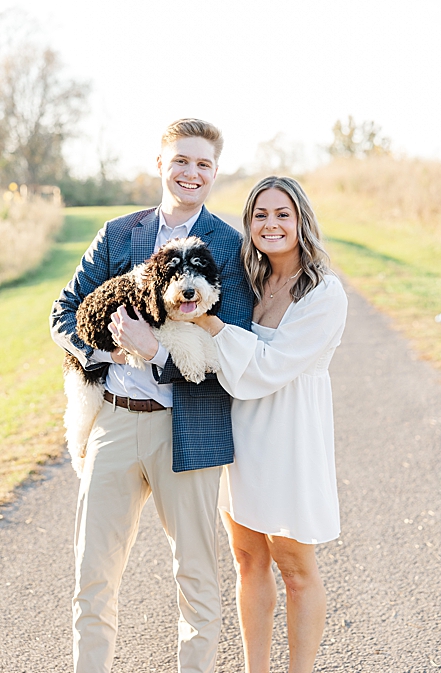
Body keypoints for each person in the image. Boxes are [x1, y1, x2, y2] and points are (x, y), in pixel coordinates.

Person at [50, 118, 254, 673]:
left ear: (215, 171)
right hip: (115, 423)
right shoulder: (119, 234)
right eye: (181, 160)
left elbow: (236, 355)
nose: (191, 172)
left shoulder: (231, 248)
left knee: (197, 578)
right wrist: (116, 352)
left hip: (187, 430)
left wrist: (159, 352)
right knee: (92, 577)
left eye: (203, 164)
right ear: (160, 164)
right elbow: (62, 313)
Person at [189, 176, 347, 673]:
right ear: (249, 224)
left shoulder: (323, 293)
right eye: (260, 215)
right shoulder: (247, 283)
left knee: (297, 570)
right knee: (247, 560)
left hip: (290, 438)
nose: (271, 224)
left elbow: (268, 368)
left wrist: (210, 324)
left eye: (282, 214)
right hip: (241, 436)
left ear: (302, 220)